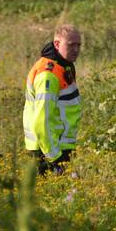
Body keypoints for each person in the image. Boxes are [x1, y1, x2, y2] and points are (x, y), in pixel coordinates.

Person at [23, 24, 82, 175]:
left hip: (57, 146)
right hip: (47, 150)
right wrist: (55, 158)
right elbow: (41, 122)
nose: (76, 49)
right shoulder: (48, 74)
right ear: (57, 44)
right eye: (70, 45)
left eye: (78, 45)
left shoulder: (63, 66)